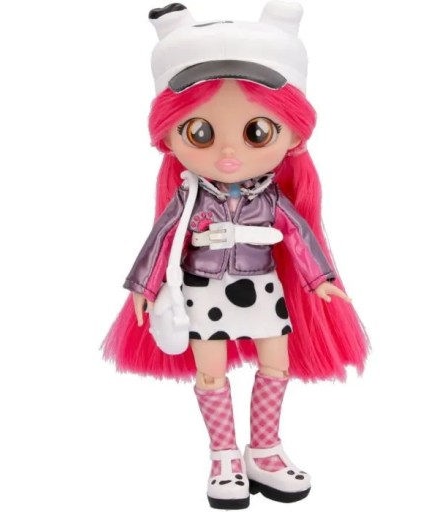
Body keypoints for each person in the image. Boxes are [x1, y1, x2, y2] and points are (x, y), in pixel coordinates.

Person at [103, 2, 369, 509]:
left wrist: (320, 279)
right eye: (200, 133)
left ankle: (264, 451)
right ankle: (224, 455)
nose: (228, 153)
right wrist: (144, 286)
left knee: (276, 362)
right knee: (210, 372)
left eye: (256, 132)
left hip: (262, 286)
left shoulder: (270, 198)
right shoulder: (189, 196)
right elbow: (161, 237)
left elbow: (298, 235)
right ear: (168, 136)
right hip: (203, 291)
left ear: (293, 134)